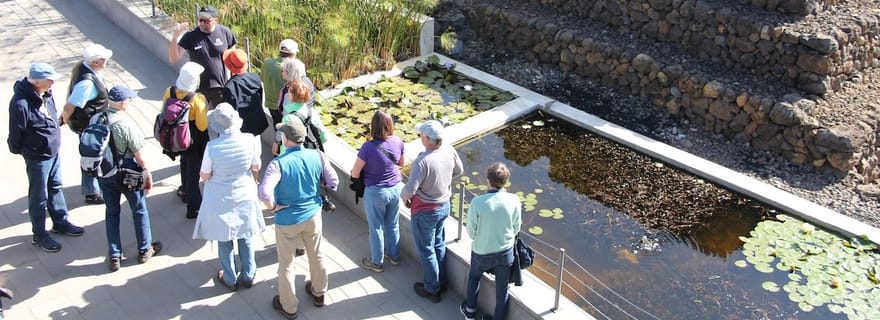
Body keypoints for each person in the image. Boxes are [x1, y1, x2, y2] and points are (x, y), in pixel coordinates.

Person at [259, 119, 338, 319]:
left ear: (285, 139)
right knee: (317, 254)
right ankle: (319, 293)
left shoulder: (278, 164)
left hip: (286, 220)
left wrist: (273, 207)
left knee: (286, 264)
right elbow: (334, 182)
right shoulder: (317, 155)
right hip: (313, 214)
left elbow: (264, 193)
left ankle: (289, 306)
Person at [8, 63, 84, 252]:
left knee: (56, 187)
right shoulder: (20, 103)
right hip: (37, 157)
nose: (52, 82)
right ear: (36, 81)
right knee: (39, 196)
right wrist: (25, 151)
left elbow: (51, 117)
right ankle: (39, 235)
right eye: (49, 79)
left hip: (52, 152)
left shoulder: (46, 94)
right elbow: (16, 133)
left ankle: (60, 221)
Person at [193, 103, 265, 291]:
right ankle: (249, 274)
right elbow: (255, 166)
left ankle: (230, 277)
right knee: (246, 235)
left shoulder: (212, 147)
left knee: (224, 238)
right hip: (244, 191)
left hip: (219, 196)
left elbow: (205, 175)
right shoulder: (249, 139)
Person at [99, 85, 162, 272]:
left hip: (105, 172)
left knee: (111, 212)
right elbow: (139, 155)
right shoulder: (124, 124)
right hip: (127, 172)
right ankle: (144, 249)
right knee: (139, 209)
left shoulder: (97, 118)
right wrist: (147, 172)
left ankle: (114, 255)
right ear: (123, 103)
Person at [400, 120, 464, 303]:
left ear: (428, 139)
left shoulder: (423, 161)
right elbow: (460, 171)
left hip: (425, 210)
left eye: (421, 135)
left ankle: (432, 288)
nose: (420, 138)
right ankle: (442, 282)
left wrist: (405, 199)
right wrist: (445, 183)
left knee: (426, 249)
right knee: (438, 244)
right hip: (444, 206)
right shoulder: (449, 150)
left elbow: (409, 189)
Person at [460, 162, 522, 320]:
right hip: (505, 253)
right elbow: (516, 228)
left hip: (481, 251)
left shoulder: (478, 202)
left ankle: (470, 312)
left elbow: (471, 232)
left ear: (488, 180)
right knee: (502, 291)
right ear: (506, 181)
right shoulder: (514, 200)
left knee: (474, 277)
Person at [350, 110, 405, 273]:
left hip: (376, 192)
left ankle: (377, 262)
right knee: (393, 224)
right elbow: (402, 163)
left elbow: (355, 173)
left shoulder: (367, 147)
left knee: (376, 228)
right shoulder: (398, 141)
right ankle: (394, 256)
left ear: (373, 127)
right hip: (396, 188)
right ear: (390, 126)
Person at [62, 44, 114, 205]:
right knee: (92, 158)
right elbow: (70, 106)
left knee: (94, 156)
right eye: (104, 59)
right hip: (91, 127)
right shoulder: (87, 83)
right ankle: (92, 192)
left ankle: (97, 185)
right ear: (96, 63)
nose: (107, 62)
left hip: (93, 124)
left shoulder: (87, 70)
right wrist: (62, 120)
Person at [164, 62, 209, 219]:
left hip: (177, 136)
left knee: (184, 161)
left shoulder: (169, 91)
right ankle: (193, 207)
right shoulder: (197, 99)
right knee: (193, 172)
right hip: (194, 139)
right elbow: (203, 126)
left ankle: (184, 191)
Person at [168, 5, 236, 109]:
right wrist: (175, 37)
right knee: (200, 122)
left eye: (206, 21)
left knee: (219, 120)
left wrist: (233, 83)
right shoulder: (190, 36)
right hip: (198, 89)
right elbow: (174, 58)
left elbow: (233, 58)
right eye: (200, 20)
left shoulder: (225, 32)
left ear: (215, 20)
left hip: (220, 87)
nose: (202, 23)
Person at [222, 48, 268, 136]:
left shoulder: (230, 87)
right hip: (258, 124)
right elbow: (260, 98)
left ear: (229, 66)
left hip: (241, 129)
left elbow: (230, 112)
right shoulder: (255, 77)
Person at [261, 39, 298, 126]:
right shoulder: (293, 67)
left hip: (271, 105)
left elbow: (262, 79)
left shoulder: (267, 63)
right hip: (287, 107)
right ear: (293, 53)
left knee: (277, 126)